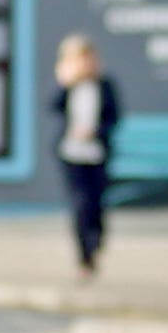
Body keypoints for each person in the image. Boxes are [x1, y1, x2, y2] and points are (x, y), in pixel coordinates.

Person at [50, 34, 123, 276]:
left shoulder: (104, 85)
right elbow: (53, 106)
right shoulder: (70, 86)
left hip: (96, 152)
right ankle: (84, 254)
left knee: (97, 202)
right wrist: (65, 83)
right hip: (71, 153)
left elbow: (114, 117)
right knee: (80, 202)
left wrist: (95, 132)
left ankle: (97, 240)